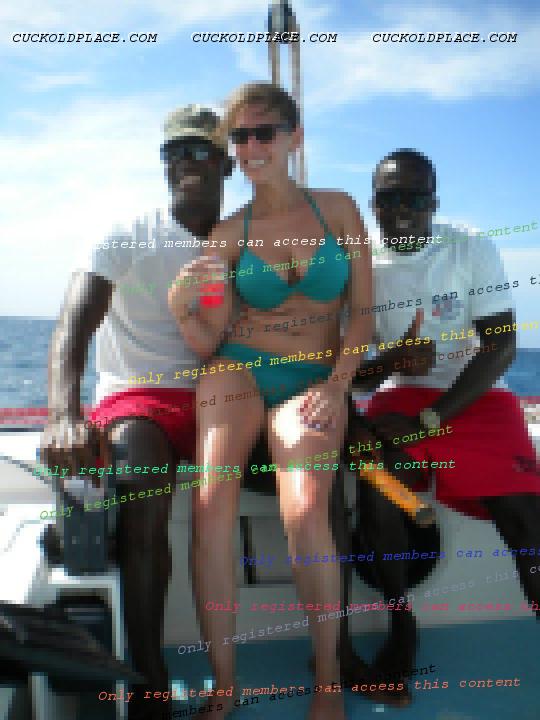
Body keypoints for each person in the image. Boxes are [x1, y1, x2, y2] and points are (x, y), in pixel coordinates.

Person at [169, 81, 373, 720]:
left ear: (294, 138)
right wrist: (181, 305)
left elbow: (363, 315)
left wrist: (338, 385)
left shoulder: (339, 211)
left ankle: (328, 681)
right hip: (238, 369)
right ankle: (224, 684)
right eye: (240, 136)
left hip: (314, 378)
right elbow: (208, 339)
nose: (252, 146)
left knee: (307, 506)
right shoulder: (229, 233)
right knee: (209, 502)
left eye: (265, 132)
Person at [40, 105, 233, 720]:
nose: (187, 162)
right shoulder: (127, 234)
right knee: (143, 492)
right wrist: (63, 414)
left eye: (202, 151)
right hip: (139, 397)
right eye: (175, 152)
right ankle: (149, 675)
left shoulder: (246, 239)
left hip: (221, 395)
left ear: (227, 163)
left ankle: (337, 654)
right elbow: (73, 324)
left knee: (317, 474)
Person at [346, 148, 540, 705]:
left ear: (434, 202)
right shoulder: (359, 265)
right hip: (399, 396)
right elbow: (350, 377)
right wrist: (393, 360)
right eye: (390, 198)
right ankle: (401, 622)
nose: (403, 209)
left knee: (526, 519)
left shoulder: (470, 247)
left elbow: (500, 346)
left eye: (415, 197)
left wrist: (429, 421)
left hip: (473, 396)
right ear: (373, 204)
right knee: (380, 486)